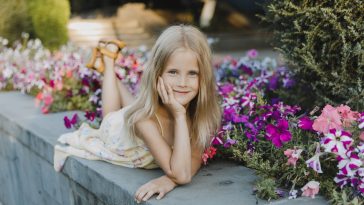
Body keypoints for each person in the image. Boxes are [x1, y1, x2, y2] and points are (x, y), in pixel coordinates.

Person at [53, 24, 222, 203]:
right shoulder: (144, 120)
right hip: (117, 135)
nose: (182, 82)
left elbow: (193, 158)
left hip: (139, 114)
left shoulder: (202, 116)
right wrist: (179, 115)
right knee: (110, 116)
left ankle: (106, 66)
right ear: (157, 74)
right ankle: (108, 64)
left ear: (204, 77)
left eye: (192, 73)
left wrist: (168, 180)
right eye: (173, 72)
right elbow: (181, 174)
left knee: (135, 108)